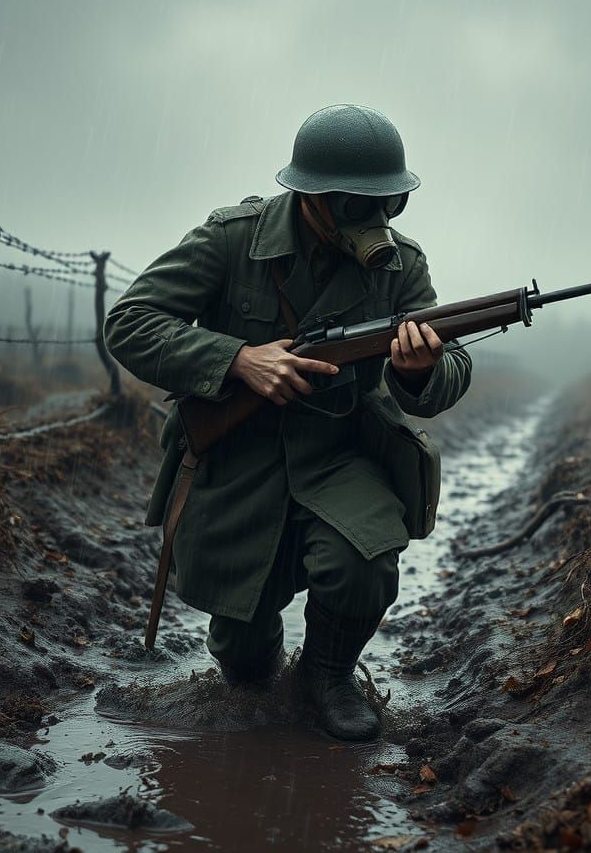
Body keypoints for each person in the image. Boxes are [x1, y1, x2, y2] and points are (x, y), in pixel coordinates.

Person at [103, 104, 472, 741]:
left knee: (366, 563)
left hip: (339, 455)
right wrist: (237, 359)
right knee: (243, 659)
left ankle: (327, 674)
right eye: (360, 205)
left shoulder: (399, 266)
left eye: (389, 205)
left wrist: (417, 370)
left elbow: (450, 362)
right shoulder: (231, 239)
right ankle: (257, 654)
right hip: (236, 459)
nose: (377, 222)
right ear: (312, 197)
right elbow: (129, 322)